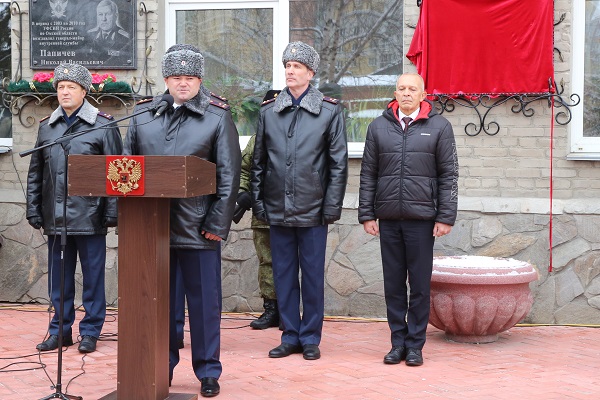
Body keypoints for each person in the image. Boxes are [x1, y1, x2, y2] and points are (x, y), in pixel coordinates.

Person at [123, 44, 240, 398]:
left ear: (200, 80)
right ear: (166, 79)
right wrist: (126, 219)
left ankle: (207, 371)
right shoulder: (142, 116)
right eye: (176, 77)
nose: (183, 83)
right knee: (160, 307)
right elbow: (126, 169)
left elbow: (229, 176)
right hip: (151, 232)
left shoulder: (217, 117)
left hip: (198, 229)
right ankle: (162, 367)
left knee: (204, 306)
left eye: (189, 78)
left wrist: (217, 223)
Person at [251, 41, 348, 361]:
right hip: (277, 208)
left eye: (296, 67)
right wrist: (258, 201)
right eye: (287, 66)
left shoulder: (329, 111)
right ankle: (290, 334)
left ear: (310, 73)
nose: (290, 71)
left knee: (312, 277)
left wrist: (331, 206)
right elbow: (259, 163)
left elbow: (338, 164)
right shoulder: (268, 112)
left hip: (313, 209)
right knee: (283, 276)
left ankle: (310, 337)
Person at [358, 73, 459, 367]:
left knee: (419, 285)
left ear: (423, 94)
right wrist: (367, 213)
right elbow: (368, 174)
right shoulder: (378, 127)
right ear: (395, 92)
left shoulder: (439, 127)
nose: (406, 93)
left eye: (412, 89)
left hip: (422, 220)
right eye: (401, 88)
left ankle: (415, 345)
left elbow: (448, 175)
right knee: (393, 285)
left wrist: (445, 216)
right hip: (388, 219)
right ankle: (397, 343)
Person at [26, 62, 123, 354]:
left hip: (90, 218)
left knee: (93, 280)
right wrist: (34, 208)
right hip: (56, 218)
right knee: (59, 281)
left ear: (84, 91)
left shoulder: (103, 125)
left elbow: (116, 172)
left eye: (71, 87)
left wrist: (111, 212)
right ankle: (60, 330)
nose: (64, 92)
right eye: (60, 87)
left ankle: (91, 331)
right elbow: (36, 173)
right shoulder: (47, 127)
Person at [233, 127, 279, 330]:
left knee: (291, 263)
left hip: (293, 213)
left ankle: (289, 311)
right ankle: (272, 309)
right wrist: (243, 192)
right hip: (263, 212)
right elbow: (244, 169)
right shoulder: (258, 137)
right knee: (267, 261)